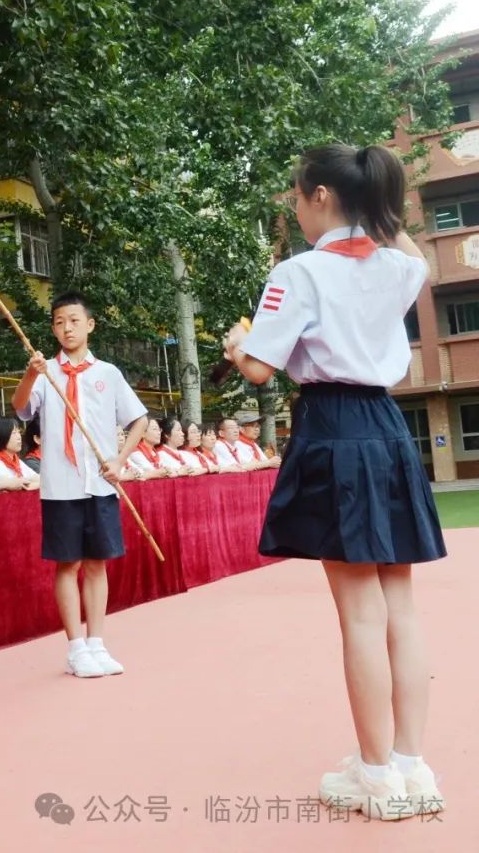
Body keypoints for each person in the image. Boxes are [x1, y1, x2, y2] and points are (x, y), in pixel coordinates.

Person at [223, 144, 447, 820]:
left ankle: (376, 776)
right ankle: (408, 764)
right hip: (385, 426)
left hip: (332, 426)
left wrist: (238, 347)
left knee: (360, 614)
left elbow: (260, 368)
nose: (295, 207)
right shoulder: (399, 266)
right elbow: (420, 262)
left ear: (320, 195)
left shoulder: (300, 271)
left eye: (297, 195)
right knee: (398, 608)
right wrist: (380, 210)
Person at [12, 291, 148, 678]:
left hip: (100, 485)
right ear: (53, 329)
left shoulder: (108, 373)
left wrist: (120, 460)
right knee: (68, 563)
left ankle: (97, 643)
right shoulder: (46, 373)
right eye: (59, 322)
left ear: (90, 325)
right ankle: (75, 647)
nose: (66, 328)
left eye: (74, 320)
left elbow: (137, 420)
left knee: (97, 562)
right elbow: (21, 408)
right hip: (61, 486)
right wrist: (31, 373)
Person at [0, 417, 40, 489]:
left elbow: (38, 478)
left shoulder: (16, 461)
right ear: (1, 436)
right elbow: (20, 486)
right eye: (14, 433)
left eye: (19, 432)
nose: (19, 437)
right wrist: (39, 484)